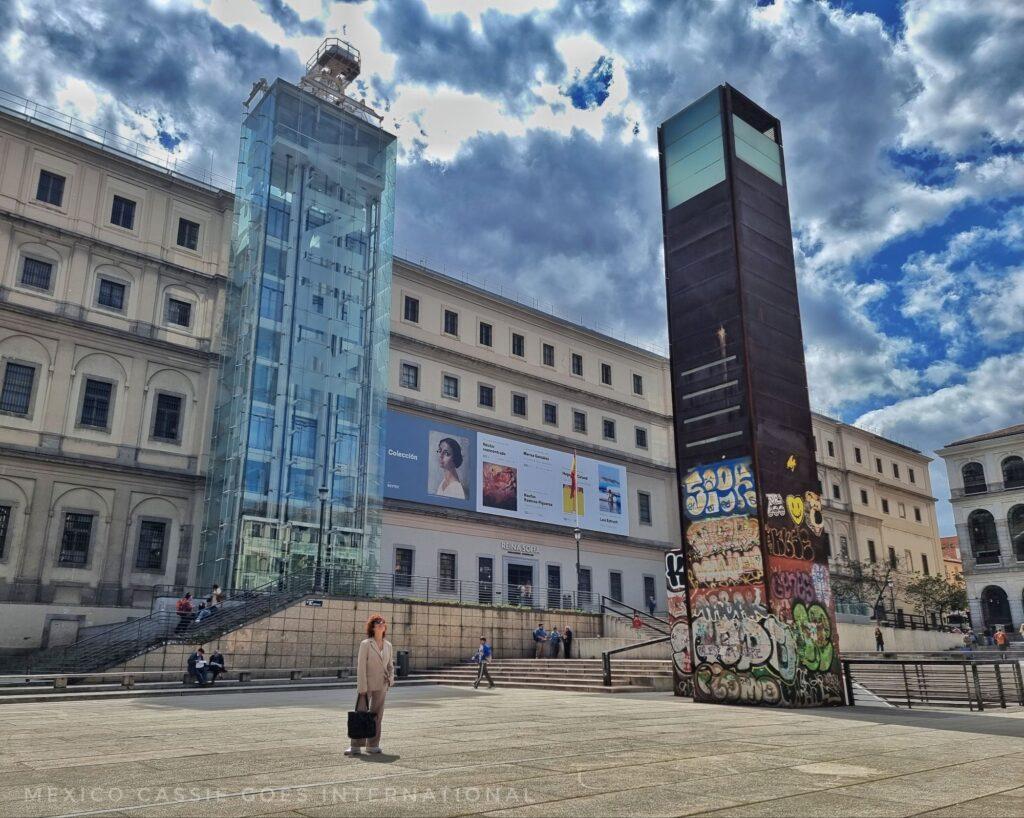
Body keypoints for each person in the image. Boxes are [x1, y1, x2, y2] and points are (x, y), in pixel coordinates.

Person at [347, 614, 394, 756]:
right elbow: (361, 667)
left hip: (382, 684)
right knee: (360, 714)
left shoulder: (388, 645)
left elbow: (390, 665)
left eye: (383, 622)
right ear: (372, 627)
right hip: (366, 684)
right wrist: (361, 687)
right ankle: (355, 746)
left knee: (378, 715)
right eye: (378, 622)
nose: (381, 624)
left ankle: (373, 745)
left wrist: (391, 679)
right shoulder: (366, 644)